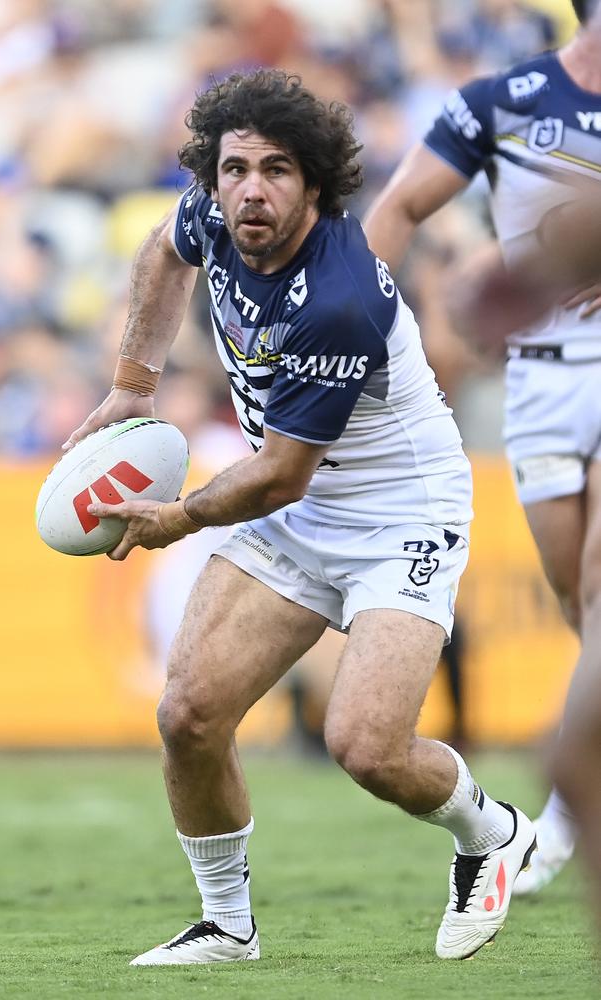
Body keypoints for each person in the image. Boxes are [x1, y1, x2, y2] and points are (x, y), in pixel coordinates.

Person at [64, 70, 535, 965]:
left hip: (399, 515)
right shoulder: (214, 216)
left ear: (314, 184)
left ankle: (491, 832)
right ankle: (226, 926)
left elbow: (277, 475)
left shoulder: (339, 298)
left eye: (276, 170)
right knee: (190, 714)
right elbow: (162, 253)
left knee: (365, 745)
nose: (251, 188)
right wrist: (132, 385)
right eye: (234, 168)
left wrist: (179, 517)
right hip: (300, 500)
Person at [363, 0, 601, 897]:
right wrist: (362, 331)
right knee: (579, 604)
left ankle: (568, 816)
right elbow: (401, 207)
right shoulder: (504, 99)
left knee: (597, 590)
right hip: (537, 382)